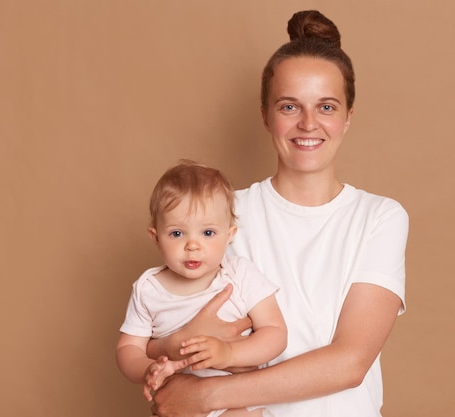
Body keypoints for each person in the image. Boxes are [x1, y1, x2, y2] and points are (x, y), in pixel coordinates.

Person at [148, 10, 409, 417]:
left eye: (326, 106)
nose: (308, 124)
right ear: (265, 115)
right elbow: (172, 335)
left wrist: (205, 397)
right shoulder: (222, 217)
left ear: (347, 117)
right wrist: (175, 362)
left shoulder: (380, 218)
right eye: (290, 107)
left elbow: (350, 362)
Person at [116, 160, 287, 417]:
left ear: (230, 235)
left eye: (207, 233)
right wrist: (146, 369)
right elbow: (128, 349)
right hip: (181, 404)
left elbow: (275, 333)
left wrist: (229, 353)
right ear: (156, 237)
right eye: (177, 234)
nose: (192, 245)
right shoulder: (148, 288)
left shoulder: (239, 274)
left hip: (237, 401)